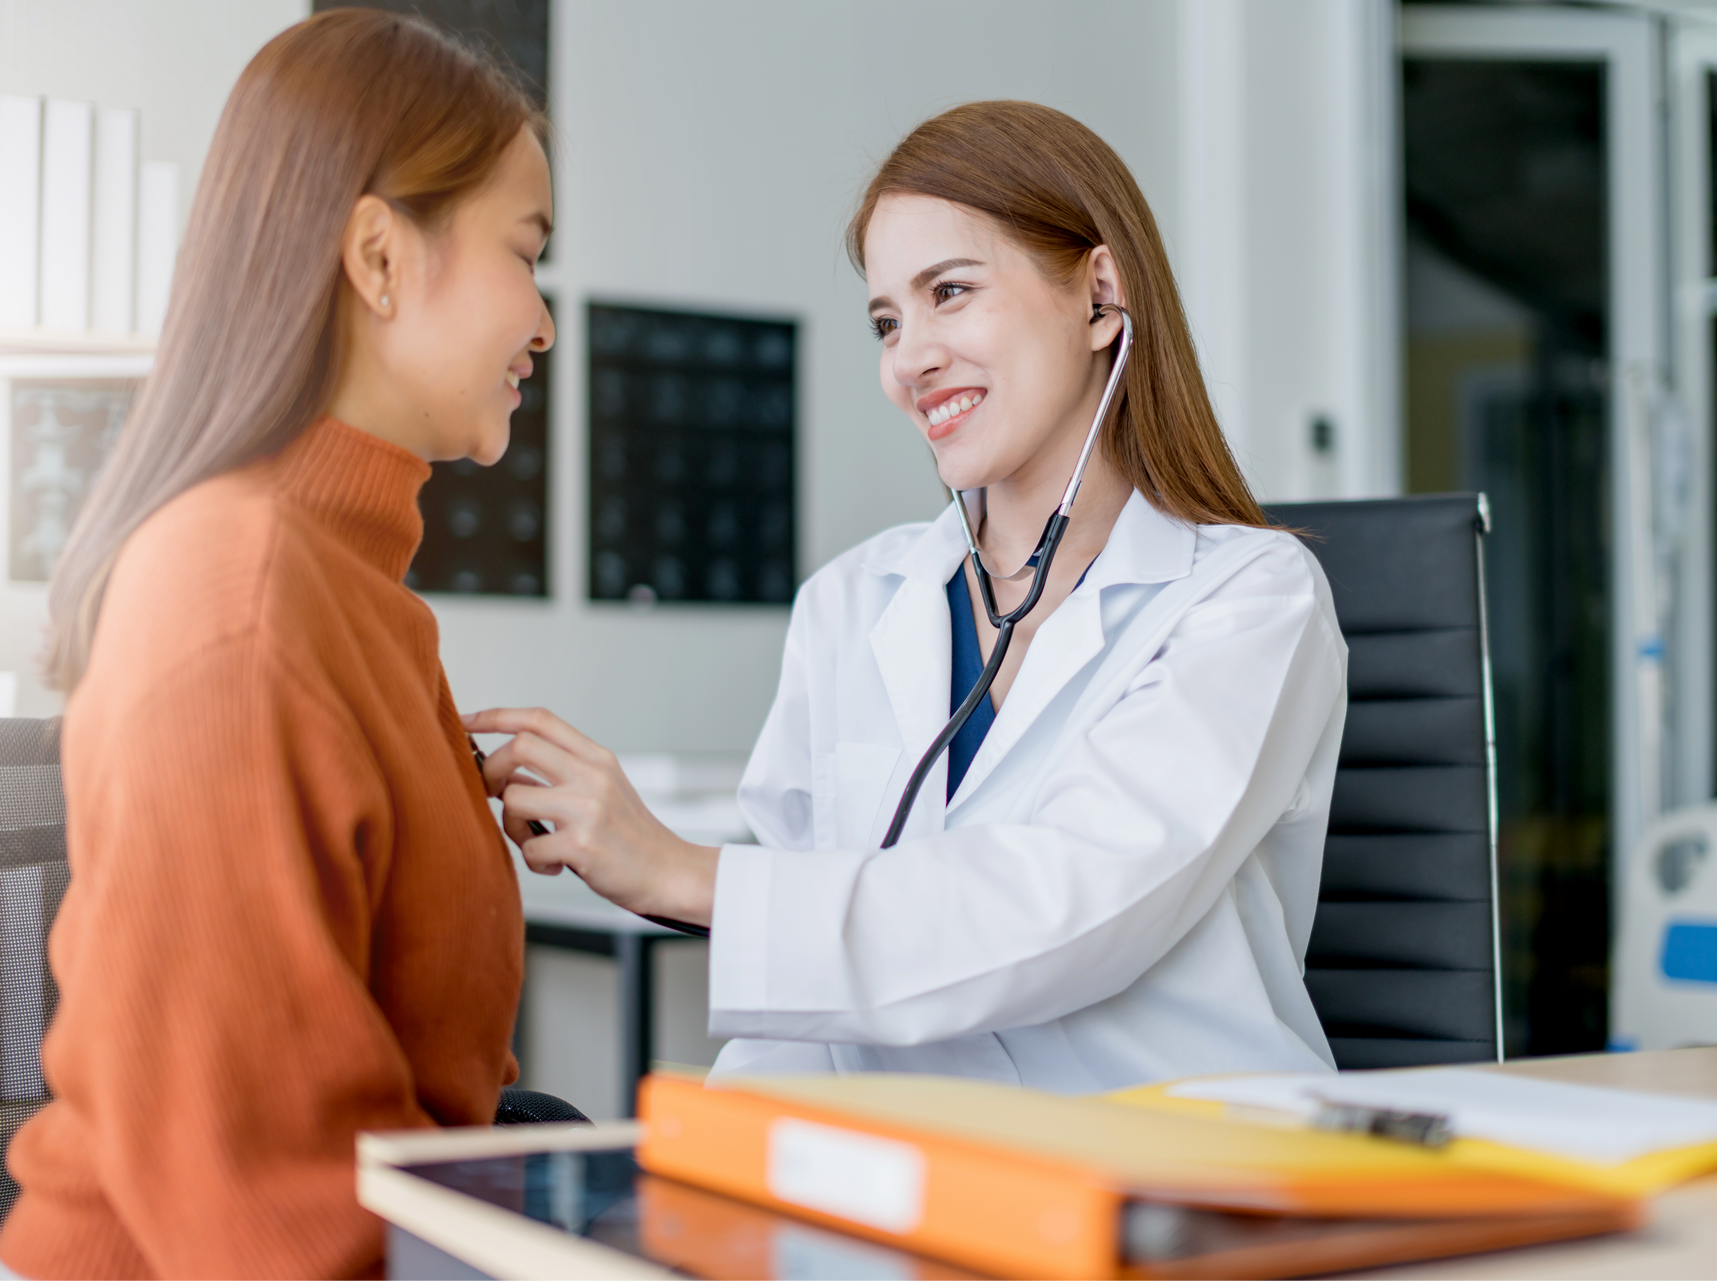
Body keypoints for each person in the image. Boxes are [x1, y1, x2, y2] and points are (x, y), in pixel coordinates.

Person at [469, 101, 1346, 1092]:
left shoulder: (1246, 602)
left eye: (951, 292)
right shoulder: (852, 603)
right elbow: (801, 1003)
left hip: (1177, 1178)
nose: (908, 359)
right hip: (917, 1183)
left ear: (1101, 297)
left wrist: (678, 869)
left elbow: (1065, 910)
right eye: (888, 320)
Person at [0, 11, 553, 1280]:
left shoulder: (352, 582)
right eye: (527, 255)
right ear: (378, 254)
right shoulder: (233, 594)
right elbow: (265, 1220)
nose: (545, 321)